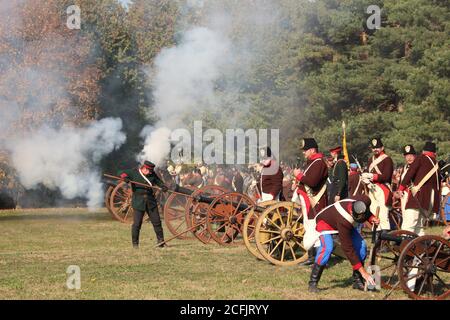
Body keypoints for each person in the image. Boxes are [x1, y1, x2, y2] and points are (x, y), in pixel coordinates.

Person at [307, 195, 380, 293]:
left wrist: (371, 218)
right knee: (327, 249)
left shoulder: (359, 203)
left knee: (362, 247)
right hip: (325, 223)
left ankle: (357, 281)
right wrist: (363, 272)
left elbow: (365, 212)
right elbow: (347, 248)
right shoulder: (344, 219)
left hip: (345, 223)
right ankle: (313, 283)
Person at [293, 138, 328, 266]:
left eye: (305, 150)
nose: (303, 153)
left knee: (315, 228)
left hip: (315, 202)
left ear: (312, 150)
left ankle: (318, 258)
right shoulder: (312, 162)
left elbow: (312, 182)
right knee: (309, 227)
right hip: (309, 201)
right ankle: (311, 257)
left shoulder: (319, 163)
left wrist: (299, 175)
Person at [394, 142, 441, 236]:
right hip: (429, 200)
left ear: (423, 151)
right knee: (419, 226)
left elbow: (410, 173)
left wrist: (400, 189)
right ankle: (420, 247)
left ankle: (405, 246)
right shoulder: (436, 164)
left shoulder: (420, 158)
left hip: (417, 197)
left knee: (408, 225)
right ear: (434, 153)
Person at [119, 161, 169, 248]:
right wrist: (125, 178)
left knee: (157, 222)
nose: (150, 173)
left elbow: (158, 181)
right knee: (137, 224)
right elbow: (120, 172)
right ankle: (135, 244)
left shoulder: (152, 174)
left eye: (151, 171)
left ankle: (161, 242)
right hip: (138, 201)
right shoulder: (134, 172)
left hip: (151, 201)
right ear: (144, 168)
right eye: (149, 171)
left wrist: (163, 186)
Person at [361, 138, 394, 233]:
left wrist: (372, 176)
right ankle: (377, 240)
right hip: (372, 189)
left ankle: (385, 242)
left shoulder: (387, 159)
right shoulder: (370, 159)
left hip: (383, 190)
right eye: (373, 148)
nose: (375, 149)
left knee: (383, 215)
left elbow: (386, 176)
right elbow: (367, 172)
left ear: (382, 147)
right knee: (374, 214)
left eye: (378, 147)